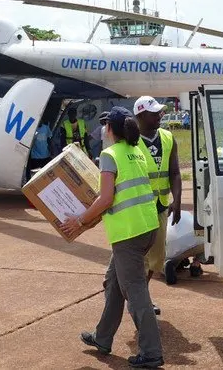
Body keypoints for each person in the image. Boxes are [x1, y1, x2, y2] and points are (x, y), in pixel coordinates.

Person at [61, 106, 164, 368]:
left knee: (136, 291)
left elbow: (106, 198)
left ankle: (151, 353)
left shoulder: (109, 155)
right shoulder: (137, 151)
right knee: (114, 282)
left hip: (128, 234)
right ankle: (103, 337)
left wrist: (80, 221)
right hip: (147, 227)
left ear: (109, 129)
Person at [134, 96, 182, 307]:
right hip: (138, 208)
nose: (160, 116)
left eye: (160, 112)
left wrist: (177, 201)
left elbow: (175, 173)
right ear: (141, 116)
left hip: (161, 205)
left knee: (157, 256)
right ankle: (141, 300)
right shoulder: (131, 141)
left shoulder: (168, 138)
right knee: (140, 258)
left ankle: (141, 296)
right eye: (154, 113)